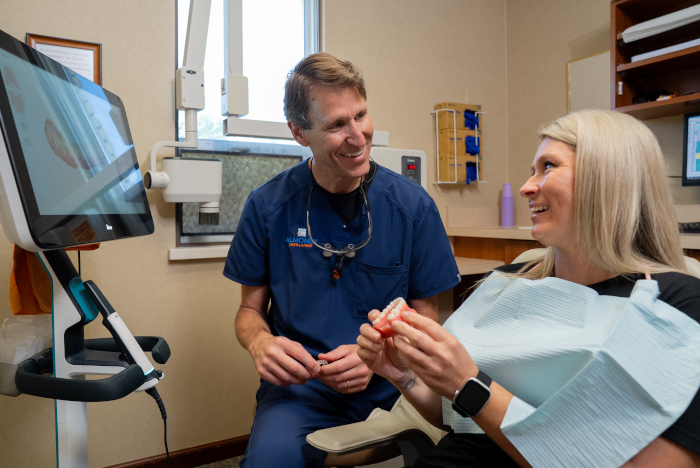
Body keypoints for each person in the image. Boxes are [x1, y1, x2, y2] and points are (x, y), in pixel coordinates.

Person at [358, 109, 700, 468]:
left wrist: (470, 384)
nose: (526, 187)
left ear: (607, 178)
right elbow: (454, 419)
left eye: (548, 166)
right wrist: (405, 376)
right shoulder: (508, 283)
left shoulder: (675, 307)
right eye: (532, 170)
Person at [224, 52, 460, 468]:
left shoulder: (412, 208)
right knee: (268, 462)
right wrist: (259, 342)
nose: (358, 135)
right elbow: (248, 310)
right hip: (301, 391)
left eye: (361, 116)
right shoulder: (268, 206)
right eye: (336, 125)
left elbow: (428, 319)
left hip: (393, 386)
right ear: (299, 133)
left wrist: (379, 356)